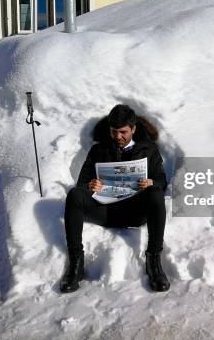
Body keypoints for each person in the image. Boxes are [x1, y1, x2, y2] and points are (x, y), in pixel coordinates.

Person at [61, 104, 170, 293]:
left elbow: (162, 180)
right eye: (114, 131)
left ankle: (154, 261)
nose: (118, 136)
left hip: (135, 212)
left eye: (123, 132)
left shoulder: (149, 150)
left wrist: (152, 182)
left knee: (155, 193)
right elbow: (81, 183)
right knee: (74, 195)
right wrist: (90, 185)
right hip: (105, 210)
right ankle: (76, 264)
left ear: (133, 129)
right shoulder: (98, 150)